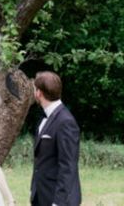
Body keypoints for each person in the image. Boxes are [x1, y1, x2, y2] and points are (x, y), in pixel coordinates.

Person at [30, 71, 81, 206]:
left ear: (39, 93)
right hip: (41, 195)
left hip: (57, 198)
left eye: (34, 89)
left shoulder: (65, 121)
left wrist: (58, 202)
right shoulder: (45, 117)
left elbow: (68, 166)